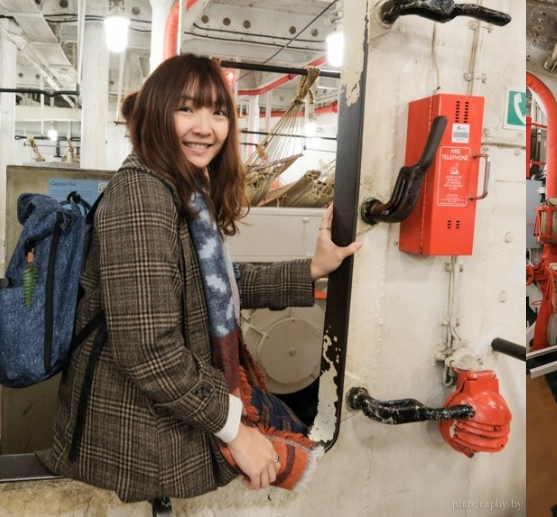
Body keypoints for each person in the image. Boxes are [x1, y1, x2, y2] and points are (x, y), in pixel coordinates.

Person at [38, 54, 362, 501]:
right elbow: (149, 351)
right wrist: (234, 429)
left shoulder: (182, 186)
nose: (204, 127)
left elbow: (211, 288)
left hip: (164, 414)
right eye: (186, 109)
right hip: (140, 429)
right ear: (156, 112)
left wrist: (311, 270)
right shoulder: (142, 195)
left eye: (218, 111)